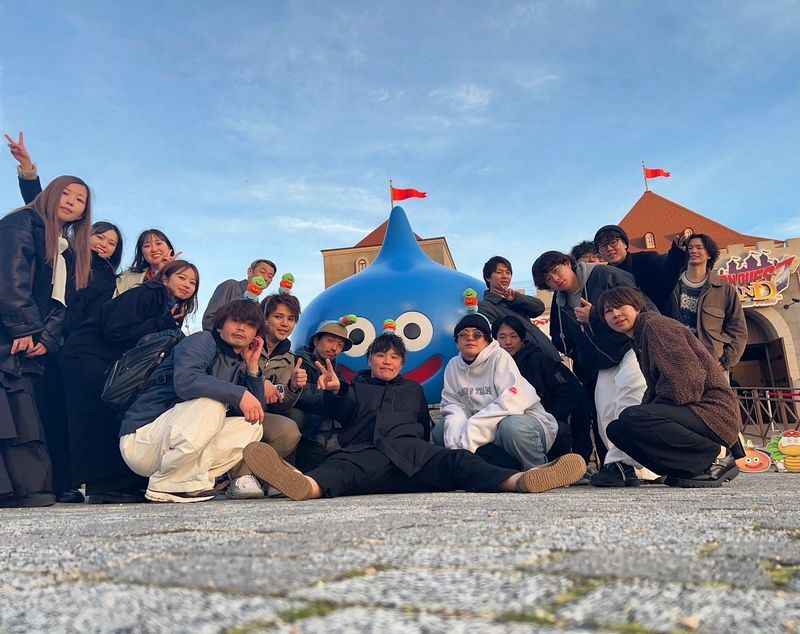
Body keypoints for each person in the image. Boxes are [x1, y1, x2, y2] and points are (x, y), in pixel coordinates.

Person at [241, 331, 587, 500]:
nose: (387, 361)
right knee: (340, 468)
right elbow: (341, 410)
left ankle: (523, 480)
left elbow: (423, 426)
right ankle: (304, 486)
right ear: (371, 360)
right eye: (381, 356)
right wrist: (336, 390)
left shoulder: (413, 390)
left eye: (394, 357)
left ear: (402, 363)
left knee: (460, 462)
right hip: (368, 455)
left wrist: (433, 450)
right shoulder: (356, 385)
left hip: (414, 456)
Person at [60, 260, 199, 503]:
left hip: (103, 359)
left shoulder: (167, 308)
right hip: (87, 356)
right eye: (181, 277)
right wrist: (162, 323)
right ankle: (104, 487)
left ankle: (116, 483)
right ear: (164, 278)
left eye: (193, 282)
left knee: (107, 415)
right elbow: (115, 330)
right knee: (96, 417)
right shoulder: (149, 293)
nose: (187, 284)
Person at [0, 174, 93, 507]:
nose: (71, 202)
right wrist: (23, 327)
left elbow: (60, 303)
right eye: (65, 193)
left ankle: (26, 489)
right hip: (9, 332)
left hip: (26, 340)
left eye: (80, 200)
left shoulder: (66, 251)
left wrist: (47, 338)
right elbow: (9, 277)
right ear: (51, 194)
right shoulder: (22, 222)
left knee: (21, 412)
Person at [119, 300, 267, 502]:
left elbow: (254, 412)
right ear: (220, 324)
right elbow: (186, 381)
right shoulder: (202, 340)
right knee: (212, 404)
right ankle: (166, 484)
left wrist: (252, 367)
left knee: (252, 426)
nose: (242, 328)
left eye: (250, 325)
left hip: (171, 446)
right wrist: (239, 394)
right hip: (143, 440)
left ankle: (190, 481)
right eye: (236, 321)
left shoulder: (238, 363)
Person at [532, 251, 653, 487]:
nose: (555, 279)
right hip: (602, 361)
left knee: (630, 396)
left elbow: (640, 306)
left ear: (567, 263)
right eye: (548, 279)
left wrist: (596, 315)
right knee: (605, 411)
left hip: (632, 344)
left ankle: (642, 465)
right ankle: (622, 467)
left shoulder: (604, 275)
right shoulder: (560, 303)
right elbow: (561, 338)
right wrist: (582, 356)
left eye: (556, 270)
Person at [598, 286, 741, 487]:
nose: (616, 314)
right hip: (693, 412)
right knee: (618, 429)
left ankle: (717, 458)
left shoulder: (656, 326)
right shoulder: (639, 337)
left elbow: (688, 378)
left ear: (637, 307)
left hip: (712, 413)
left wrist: (648, 413)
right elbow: (654, 389)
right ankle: (686, 469)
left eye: (621, 306)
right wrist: (646, 412)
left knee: (632, 417)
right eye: (608, 311)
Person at [435, 313, 560, 470]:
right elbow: (452, 404)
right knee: (441, 430)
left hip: (521, 420)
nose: (470, 338)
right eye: (463, 334)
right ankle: (472, 472)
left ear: (487, 341)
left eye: (477, 334)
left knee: (512, 427)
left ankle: (539, 471)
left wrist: (473, 427)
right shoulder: (453, 365)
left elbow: (511, 403)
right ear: (457, 342)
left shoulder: (499, 357)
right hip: (485, 428)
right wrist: (457, 447)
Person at [225, 293, 304, 498]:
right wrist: (260, 382)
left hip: (261, 415)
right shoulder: (245, 341)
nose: (285, 323)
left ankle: (265, 476)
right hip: (233, 411)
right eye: (278, 316)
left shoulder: (290, 358)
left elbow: (281, 406)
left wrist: (293, 387)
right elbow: (228, 377)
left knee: (290, 428)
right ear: (265, 318)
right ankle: (242, 477)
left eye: (291, 319)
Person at [492, 315, 593, 463]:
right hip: (503, 425)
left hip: (541, 424)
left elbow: (569, 394)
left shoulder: (540, 361)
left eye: (513, 336)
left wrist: (548, 417)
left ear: (522, 338)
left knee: (558, 430)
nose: (508, 342)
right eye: (502, 337)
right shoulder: (491, 366)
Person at [668, 234, 747, 377]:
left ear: (709, 254)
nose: (693, 251)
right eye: (690, 248)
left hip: (713, 363)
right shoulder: (670, 284)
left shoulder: (724, 289)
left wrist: (726, 361)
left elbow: (738, 329)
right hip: (678, 363)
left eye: (699, 247)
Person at [292, 319, 353, 471]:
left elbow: (347, 401)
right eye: (330, 341)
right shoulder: (298, 361)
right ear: (316, 341)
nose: (334, 348)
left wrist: (338, 392)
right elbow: (297, 394)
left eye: (340, 345)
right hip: (307, 429)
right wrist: (331, 395)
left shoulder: (336, 371)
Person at [477, 256, 561, 362]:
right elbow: (499, 339)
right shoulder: (485, 307)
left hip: (549, 357)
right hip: (529, 363)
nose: (505, 276)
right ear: (488, 277)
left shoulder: (514, 299)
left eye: (508, 273)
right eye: (499, 272)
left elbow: (539, 308)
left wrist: (515, 298)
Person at [593, 224, 685, 315]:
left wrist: (676, 254)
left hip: (662, 318)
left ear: (625, 244)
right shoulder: (602, 276)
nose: (609, 248)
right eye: (603, 246)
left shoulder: (646, 259)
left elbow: (667, 269)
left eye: (613, 242)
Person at [201, 259, 277, 331]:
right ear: (250, 271)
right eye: (262, 272)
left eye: (270, 276)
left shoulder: (258, 305)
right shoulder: (231, 286)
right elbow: (210, 318)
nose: (265, 278)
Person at [114, 229, 179, 297]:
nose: (154, 249)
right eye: (147, 246)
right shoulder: (128, 277)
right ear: (141, 252)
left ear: (169, 247)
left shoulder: (182, 275)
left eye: (159, 243)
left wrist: (166, 271)